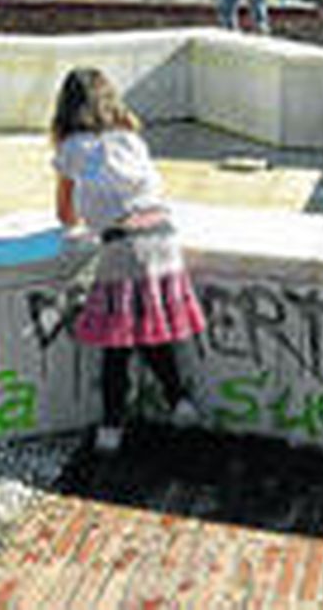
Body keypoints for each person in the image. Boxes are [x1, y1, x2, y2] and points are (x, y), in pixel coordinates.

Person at [51, 68, 207, 454]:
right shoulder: (130, 139)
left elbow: (65, 215)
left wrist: (85, 212)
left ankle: (111, 427)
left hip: (125, 246)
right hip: (164, 238)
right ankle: (180, 403)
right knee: (151, 330)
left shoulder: (72, 148)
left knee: (117, 345)